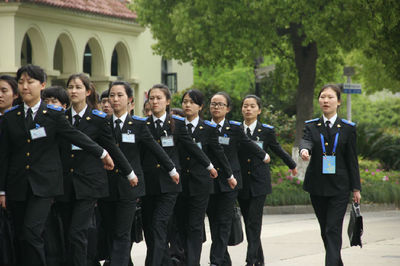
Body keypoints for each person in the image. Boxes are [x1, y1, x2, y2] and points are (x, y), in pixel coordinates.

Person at [0, 64, 114, 266]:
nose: (25, 86)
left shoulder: (53, 115)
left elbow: (75, 135)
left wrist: (102, 152)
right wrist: (2, 190)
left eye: (30, 82)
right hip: (17, 185)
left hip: (44, 185)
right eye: (21, 82)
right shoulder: (10, 117)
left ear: (42, 85)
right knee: (21, 236)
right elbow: (5, 155)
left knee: (31, 231)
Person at [56, 73, 137, 266]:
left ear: (88, 91)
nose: (73, 91)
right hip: (65, 183)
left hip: (89, 184)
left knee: (78, 232)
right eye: (70, 87)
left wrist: (129, 172)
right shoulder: (60, 118)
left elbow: (113, 148)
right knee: (67, 233)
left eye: (78, 87)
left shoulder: (98, 119)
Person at [99, 81, 178, 266]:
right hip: (106, 185)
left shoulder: (138, 125)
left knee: (122, 233)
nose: (115, 99)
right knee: (111, 231)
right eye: (112, 95)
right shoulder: (102, 124)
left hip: (130, 187)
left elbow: (156, 149)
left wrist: (172, 169)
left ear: (130, 100)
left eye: (120, 95)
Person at [141, 84, 217, 266]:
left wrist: (209, 165)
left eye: (159, 98)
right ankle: (163, 261)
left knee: (159, 225)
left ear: (167, 101)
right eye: (151, 98)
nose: (155, 101)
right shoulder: (142, 125)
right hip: (149, 183)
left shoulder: (177, 124)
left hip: (170, 184)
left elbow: (191, 147)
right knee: (150, 229)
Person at [300, 84, 361, 266]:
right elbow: (306, 141)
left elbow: (352, 160)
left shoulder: (348, 128)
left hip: (339, 187)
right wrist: (304, 150)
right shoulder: (311, 126)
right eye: (322, 97)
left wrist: (356, 188)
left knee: (332, 228)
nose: (325, 100)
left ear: (339, 102)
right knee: (325, 230)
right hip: (317, 186)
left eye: (330, 97)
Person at [206, 92, 270, 266]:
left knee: (225, 222)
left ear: (228, 108)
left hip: (230, 182)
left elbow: (248, 143)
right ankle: (223, 259)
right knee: (213, 222)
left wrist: (263, 155)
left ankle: (217, 260)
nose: (216, 107)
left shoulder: (234, 128)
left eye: (220, 104)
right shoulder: (204, 128)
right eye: (213, 104)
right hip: (209, 182)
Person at [174, 89, 233, 266]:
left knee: (195, 226)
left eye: (192, 102)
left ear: (200, 106)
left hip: (200, 184)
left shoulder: (208, 128)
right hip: (179, 182)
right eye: (185, 102)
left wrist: (229, 174)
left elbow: (218, 153)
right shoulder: (175, 125)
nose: (187, 105)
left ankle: (193, 262)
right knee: (181, 225)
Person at [239, 95, 298, 266]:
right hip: (242, 182)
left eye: (252, 106)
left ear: (259, 110)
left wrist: (292, 164)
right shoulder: (236, 130)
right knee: (248, 222)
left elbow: (277, 149)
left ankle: (250, 260)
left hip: (259, 182)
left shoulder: (266, 131)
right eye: (245, 106)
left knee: (254, 222)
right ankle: (259, 260)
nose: (248, 109)